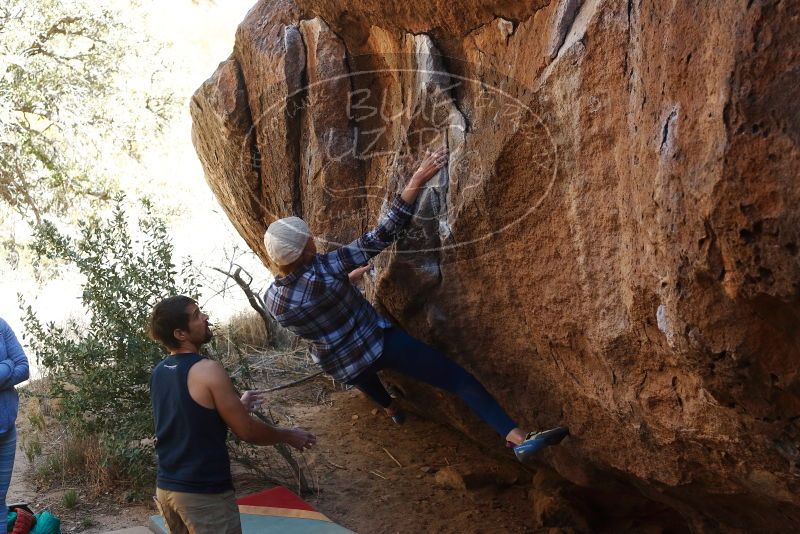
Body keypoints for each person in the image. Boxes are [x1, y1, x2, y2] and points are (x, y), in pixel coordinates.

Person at [262, 147, 567, 462]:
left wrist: (349, 278)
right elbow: (383, 234)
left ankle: (390, 408)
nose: (312, 237)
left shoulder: (273, 299)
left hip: (341, 362)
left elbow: (317, 305)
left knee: (361, 373)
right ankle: (517, 438)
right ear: (305, 246)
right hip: (380, 345)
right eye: (307, 237)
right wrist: (418, 177)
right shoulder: (328, 268)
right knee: (458, 379)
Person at [148, 296, 316, 534]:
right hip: (202, 495)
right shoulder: (207, 369)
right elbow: (246, 431)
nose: (205, 318)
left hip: (167, 489)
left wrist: (236, 406)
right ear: (180, 334)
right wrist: (287, 435)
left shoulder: (159, 372)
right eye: (196, 316)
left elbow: (188, 419)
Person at [0, 317, 30, 528]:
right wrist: (7, 365)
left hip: (6, 430)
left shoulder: (0, 327)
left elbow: (24, 367)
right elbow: (14, 365)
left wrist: (7, 368)